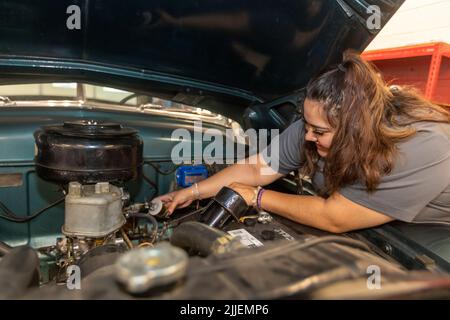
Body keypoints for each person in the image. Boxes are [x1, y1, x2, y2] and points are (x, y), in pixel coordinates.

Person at [158, 51, 450, 233]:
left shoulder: (422, 145)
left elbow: (335, 217)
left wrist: (255, 196)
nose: (308, 137)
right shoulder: (317, 123)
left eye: (319, 132)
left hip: (430, 234)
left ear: (354, 129)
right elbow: (259, 168)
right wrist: (194, 192)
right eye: (307, 125)